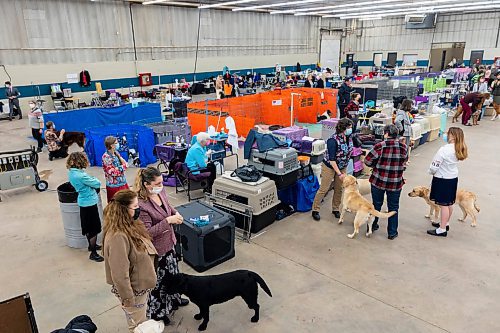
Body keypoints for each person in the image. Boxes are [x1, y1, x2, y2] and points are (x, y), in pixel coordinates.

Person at [135, 167, 189, 325]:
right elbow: (147, 233)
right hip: (157, 251)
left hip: (169, 244)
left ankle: (175, 299)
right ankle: (160, 312)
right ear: (147, 184)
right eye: (158, 183)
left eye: (162, 181)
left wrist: (175, 213)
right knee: (160, 284)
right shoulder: (142, 205)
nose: (162, 185)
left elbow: (167, 206)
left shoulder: (160, 192)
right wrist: (168, 221)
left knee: (173, 276)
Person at [103, 190, 158, 332]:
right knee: (138, 326)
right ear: (123, 210)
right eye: (135, 207)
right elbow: (119, 273)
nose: (138, 209)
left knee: (141, 320)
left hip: (140, 285)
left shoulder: (130, 224)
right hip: (134, 291)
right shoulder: (118, 237)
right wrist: (128, 299)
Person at [364, 124, 408, 240]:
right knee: (393, 207)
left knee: (376, 205)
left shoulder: (380, 146)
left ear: (387, 134)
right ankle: (392, 232)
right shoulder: (404, 147)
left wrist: (376, 165)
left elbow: (367, 161)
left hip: (378, 181)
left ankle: (372, 226)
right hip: (396, 183)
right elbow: (404, 162)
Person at [427, 127, 468, 237]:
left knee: (443, 204)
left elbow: (435, 165)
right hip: (452, 177)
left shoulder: (444, 149)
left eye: (448, 133)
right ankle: (446, 222)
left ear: (452, 136)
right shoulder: (459, 148)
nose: (446, 135)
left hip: (442, 178)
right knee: (449, 202)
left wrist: (431, 171)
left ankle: (442, 229)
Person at [311, 118, 353, 221]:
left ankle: (335, 208)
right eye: (349, 128)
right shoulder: (332, 140)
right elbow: (332, 160)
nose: (351, 129)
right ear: (344, 128)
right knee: (324, 188)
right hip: (329, 166)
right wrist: (339, 174)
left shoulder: (348, 137)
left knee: (339, 188)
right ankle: (315, 209)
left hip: (342, 165)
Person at [67, 152, 104, 262]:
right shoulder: (81, 175)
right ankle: (93, 252)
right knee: (94, 228)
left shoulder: (72, 173)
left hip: (83, 201)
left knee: (87, 226)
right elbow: (97, 183)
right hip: (89, 202)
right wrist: (92, 178)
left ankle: (91, 245)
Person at [102, 136, 129, 203]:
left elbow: (125, 163)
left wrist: (120, 168)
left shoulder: (116, 153)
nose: (118, 144)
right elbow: (112, 172)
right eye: (116, 143)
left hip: (122, 183)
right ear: (112, 145)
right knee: (116, 204)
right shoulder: (106, 157)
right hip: (114, 186)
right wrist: (122, 167)